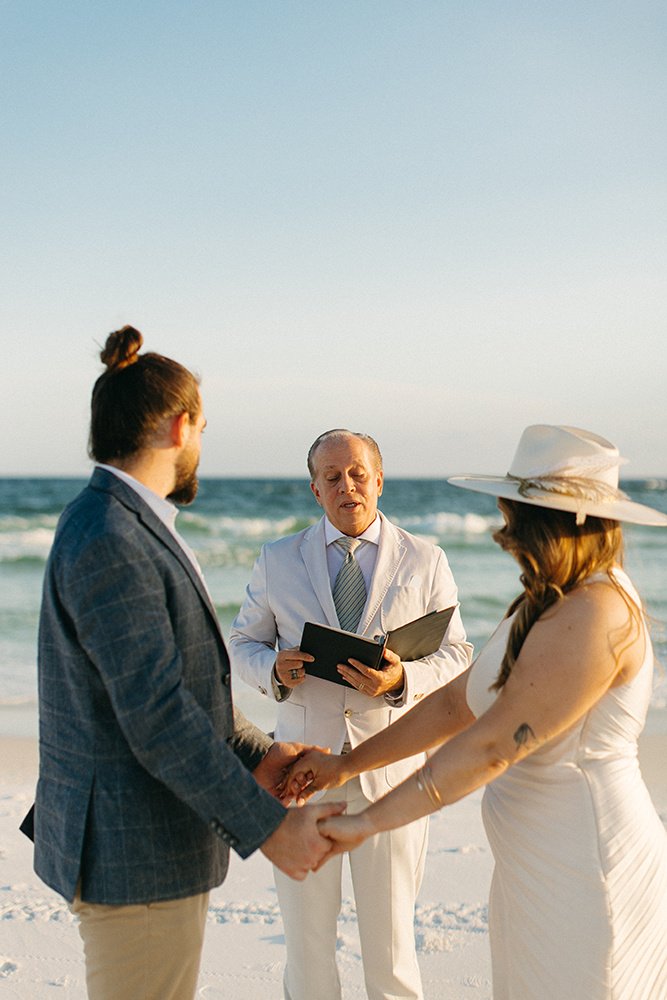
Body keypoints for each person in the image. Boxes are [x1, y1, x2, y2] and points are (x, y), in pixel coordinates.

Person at [289, 424, 667, 1000]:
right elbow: (451, 703)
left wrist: (368, 821)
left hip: (587, 864)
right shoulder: (546, 601)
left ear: (575, 521)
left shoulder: (599, 611)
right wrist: (346, 768)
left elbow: (492, 744)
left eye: (524, 510)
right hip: (532, 865)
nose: (505, 525)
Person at [32, 326, 344, 1000]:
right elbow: (157, 716)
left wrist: (255, 751)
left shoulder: (117, 519)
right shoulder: (111, 534)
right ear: (181, 426)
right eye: (203, 427)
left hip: (146, 846)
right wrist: (268, 830)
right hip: (132, 854)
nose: (202, 442)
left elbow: (179, 682)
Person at [228, 428, 472, 1000]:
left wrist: (403, 679)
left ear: (379, 480)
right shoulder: (277, 559)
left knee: (391, 953)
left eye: (358, 474)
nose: (347, 486)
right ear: (315, 489)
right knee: (308, 952)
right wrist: (274, 671)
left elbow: (459, 655)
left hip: (392, 777)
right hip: (303, 774)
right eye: (332, 477)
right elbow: (241, 645)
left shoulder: (426, 558)